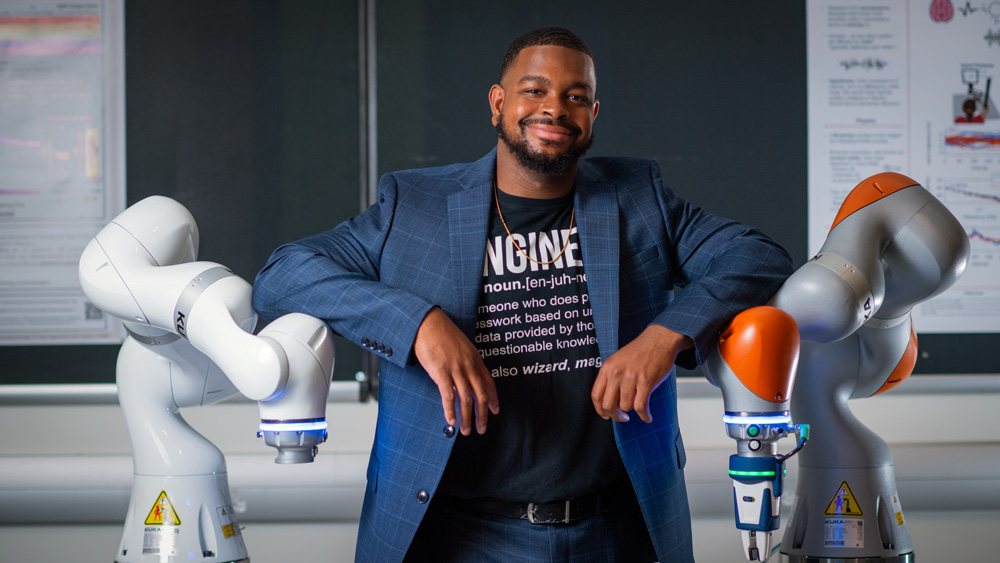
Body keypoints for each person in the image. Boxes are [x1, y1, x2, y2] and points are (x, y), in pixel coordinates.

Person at [253, 26, 793, 563]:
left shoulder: (639, 199)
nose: (554, 109)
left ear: (593, 115)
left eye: (575, 96)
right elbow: (283, 274)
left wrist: (664, 336)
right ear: (498, 103)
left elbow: (757, 255)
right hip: (458, 535)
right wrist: (417, 323)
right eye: (534, 90)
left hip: (617, 531)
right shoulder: (413, 206)